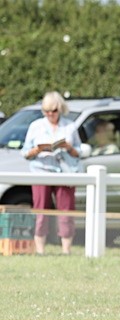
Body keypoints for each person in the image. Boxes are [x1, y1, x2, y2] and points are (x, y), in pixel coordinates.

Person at [22, 91, 83, 255]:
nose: (50, 114)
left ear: (60, 109)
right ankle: (40, 250)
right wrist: (37, 150)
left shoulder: (70, 126)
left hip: (65, 172)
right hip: (41, 170)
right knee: (41, 210)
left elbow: (79, 152)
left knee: (66, 211)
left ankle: (66, 250)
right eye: (46, 111)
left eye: (54, 111)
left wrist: (68, 147)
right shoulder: (36, 126)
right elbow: (25, 152)